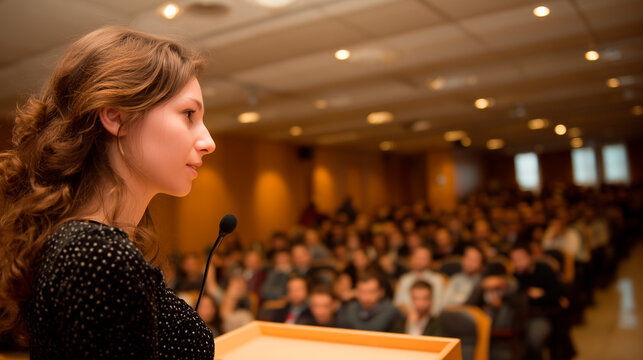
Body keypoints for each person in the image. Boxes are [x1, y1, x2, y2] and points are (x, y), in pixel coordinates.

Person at [0, 27, 216, 359]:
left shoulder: (90, 244)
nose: (208, 142)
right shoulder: (96, 254)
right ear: (116, 117)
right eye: (189, 114)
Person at [394, 246, 446, 315]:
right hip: (405, 317)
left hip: (429, 319)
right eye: (416, 257)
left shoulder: (437, 280)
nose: (419, 261)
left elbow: (438, 307)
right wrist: (411, 313)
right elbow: (398, 303)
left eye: (423, 258)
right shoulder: (405, 279)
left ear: (430, 261)